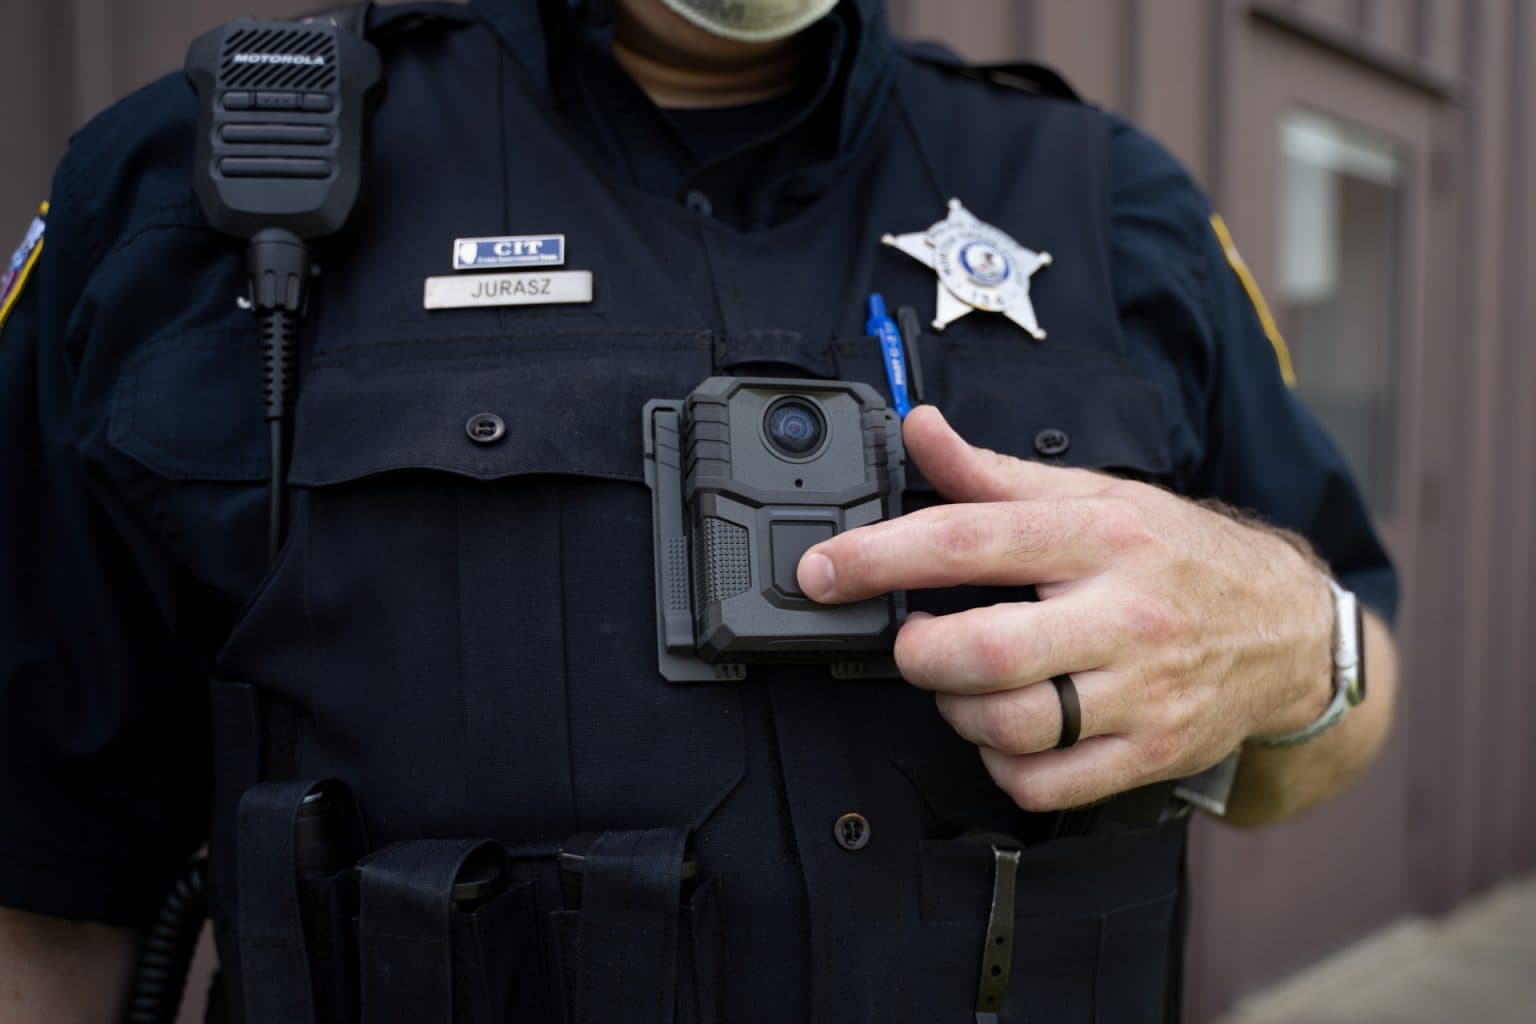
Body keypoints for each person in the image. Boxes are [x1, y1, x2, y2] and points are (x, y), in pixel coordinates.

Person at [0, 0, 1399, 1021]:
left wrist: (1293, 640)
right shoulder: (197, 190)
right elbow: (45, 889)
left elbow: (1345, 687)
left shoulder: (1107, 198)